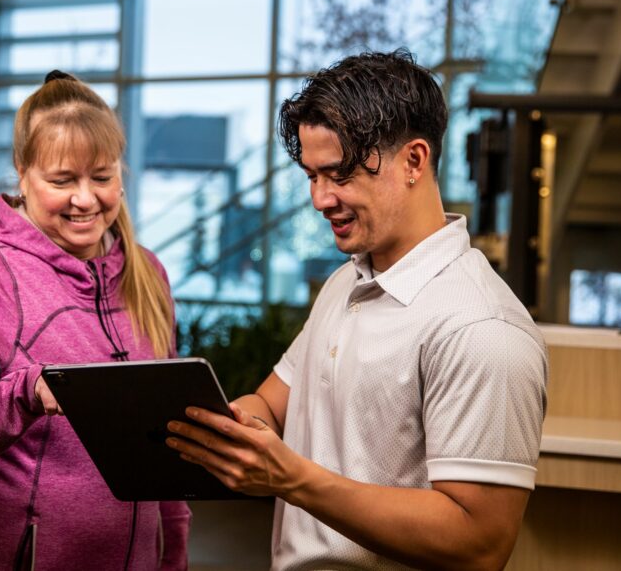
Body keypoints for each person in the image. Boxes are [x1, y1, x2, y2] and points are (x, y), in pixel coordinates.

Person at [166, 50, 547, 570]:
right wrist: (230, 432)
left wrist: (292, 479)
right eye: (311, 176)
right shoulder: (346, 281)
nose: (321, 199)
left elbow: (479, 542)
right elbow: (275, 406)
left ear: (414, 161)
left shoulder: (480, 327)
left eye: (339, 174)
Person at [0, 71, 190, 570]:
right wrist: (22, 394)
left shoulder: (147, 273)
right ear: (22, 173)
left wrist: (172, 553)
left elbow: (162, 452)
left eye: (102, 176)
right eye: (62, 180)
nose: (86, 199)